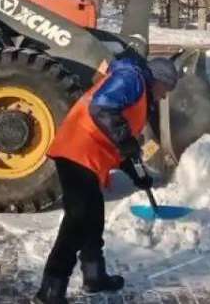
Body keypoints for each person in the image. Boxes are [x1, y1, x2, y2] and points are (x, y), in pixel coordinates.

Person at [33, 55, 181, 304]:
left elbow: (118, 141)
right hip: (78, 152)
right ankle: (50, 289)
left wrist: (137, 174)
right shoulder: (132, 79)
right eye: (166, 89)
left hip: (88, 157)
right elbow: (102, 108)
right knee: (76, 222)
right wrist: (126, 140)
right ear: (156, 80)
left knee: (93, 218)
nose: (164, 96)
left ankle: (94, 276)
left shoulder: (139, 92)